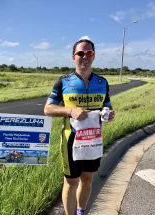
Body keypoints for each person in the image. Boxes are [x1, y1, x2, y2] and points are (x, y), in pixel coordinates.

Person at [44, 38, 115, 215]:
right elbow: (48, 109)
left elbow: (108, 107)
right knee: (71, 182)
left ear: (93, 57)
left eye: (89, 53)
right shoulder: (63, 82)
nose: (85, 56)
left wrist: (109, 115)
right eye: (80, 53)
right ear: (74, 57)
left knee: (88, 180)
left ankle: (81, 212)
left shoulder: (102, 82)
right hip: (71, 139)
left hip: (93, 139)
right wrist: (70, 111)